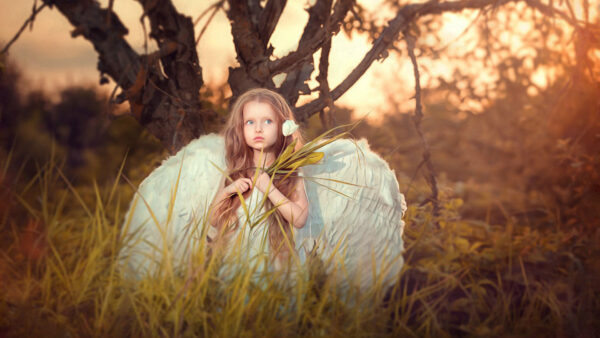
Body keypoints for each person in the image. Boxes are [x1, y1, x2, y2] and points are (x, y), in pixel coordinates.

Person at [119, 87, 408, 293]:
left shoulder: (291, 174)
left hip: (281, 272)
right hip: (237, 274)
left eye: (267, 121)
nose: (258, 129)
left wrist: (270, 188)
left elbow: (300, 218)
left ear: (282, 126)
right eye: (250, 122)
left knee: (275, 319)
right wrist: (226, 193)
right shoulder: (234, 172)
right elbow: (214, 223)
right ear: (240, 129)